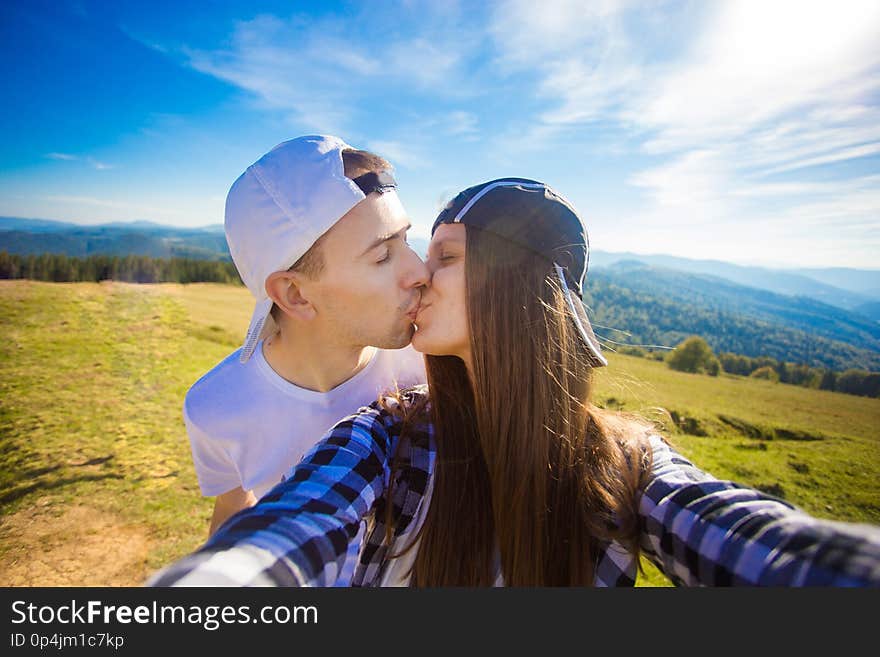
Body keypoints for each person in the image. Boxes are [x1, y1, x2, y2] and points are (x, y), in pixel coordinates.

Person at [152, 178, 880, 587]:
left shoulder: (626, 468)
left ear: (512, 287)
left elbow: (764, 544)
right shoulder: (386, 438)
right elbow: (290, 534)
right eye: (402, 251)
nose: (417, 275)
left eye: (440, 253)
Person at [180, 135, 428, 585]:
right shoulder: (214, 407)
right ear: (295, 294)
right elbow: (235, 512)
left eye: (407, 241)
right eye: (383, 256)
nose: (419, 271)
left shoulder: (432, 365)